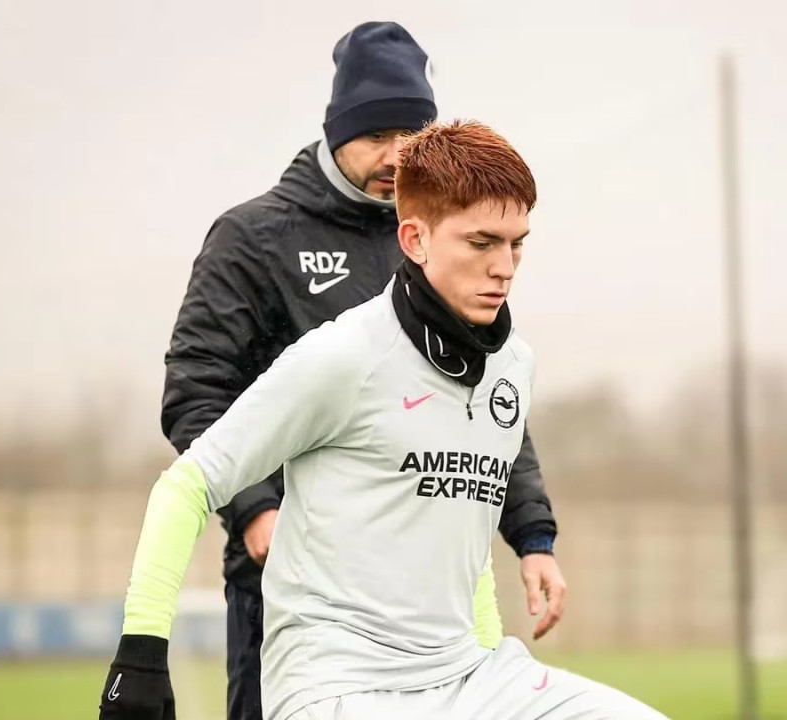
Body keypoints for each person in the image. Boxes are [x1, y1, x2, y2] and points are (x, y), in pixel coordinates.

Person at [99, 119, 664, 720]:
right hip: (337, 686)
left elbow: (463, 538)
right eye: (481, 243)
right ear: (415, 240)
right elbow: (187, 484)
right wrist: (140, 655)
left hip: (464, 675)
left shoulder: (512, 365)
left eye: (516, 242)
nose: (505, 266)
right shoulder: (343, 356)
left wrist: (488, 653)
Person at [158, 22, 562, 720]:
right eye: (377, 135)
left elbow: (490, 394)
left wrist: (533, 536)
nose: (397, 156)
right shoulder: (254, 238)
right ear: (334, 130)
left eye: (414, 136)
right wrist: (256, 510)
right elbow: (196, 390)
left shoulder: (445, 240)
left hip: (431, 599)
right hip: (293, 580)